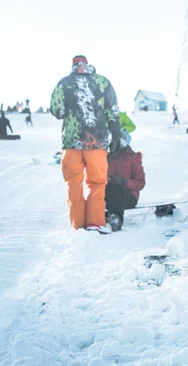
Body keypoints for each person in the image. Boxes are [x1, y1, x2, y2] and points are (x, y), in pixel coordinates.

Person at [50, 55, 120, 233]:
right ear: (88, 65)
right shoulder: (103, 82)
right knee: (97, 183)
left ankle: (78, 224)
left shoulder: (64, 83)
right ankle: (95, 223)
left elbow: (57, 110)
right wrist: (116, 135)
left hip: (71, 142)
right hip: (96, 142)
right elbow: (112, 110)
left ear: (73, 65)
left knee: (74, 182)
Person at [105, 112, 145, 232]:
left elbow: (140, 183)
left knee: (115, 187)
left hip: (129, 196)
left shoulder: (133, 157)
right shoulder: (107, 157)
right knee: (107, 187)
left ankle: (116, 219)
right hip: (110, 194)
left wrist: (123, 182)